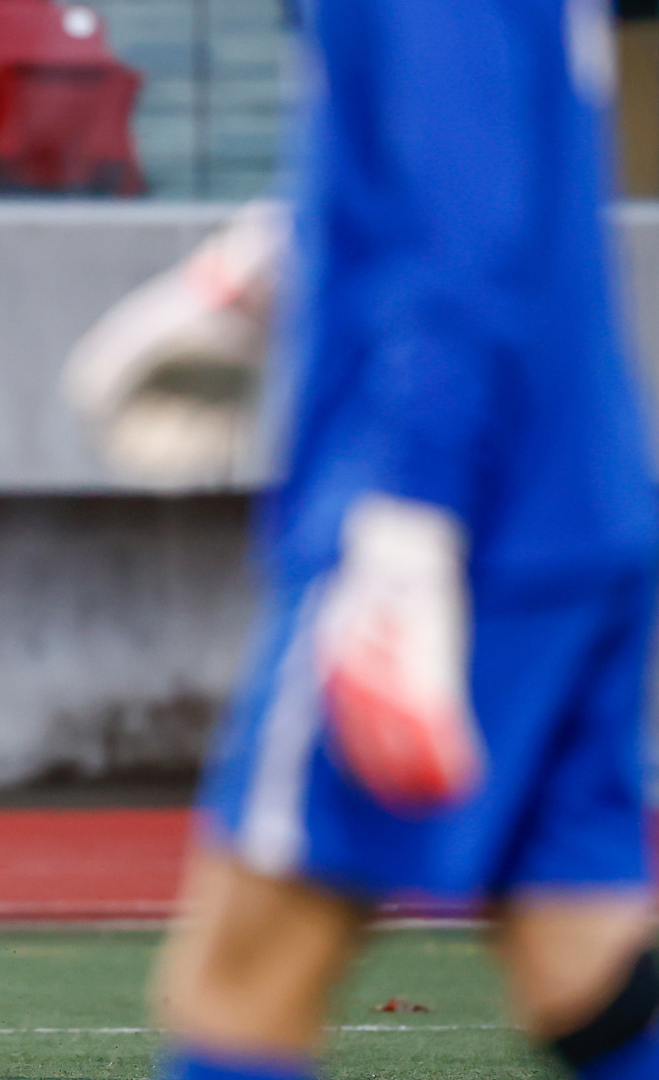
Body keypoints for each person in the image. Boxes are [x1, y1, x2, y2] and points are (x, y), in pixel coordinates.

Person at [150, 2, 659, 1079]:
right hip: (578, 498)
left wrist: (405, 527)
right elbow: (478, 157)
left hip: (458, 524)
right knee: (585, 957)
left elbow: (463, 233)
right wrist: (251, 280)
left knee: (239, 982)